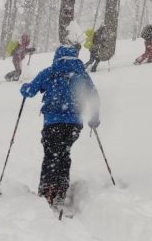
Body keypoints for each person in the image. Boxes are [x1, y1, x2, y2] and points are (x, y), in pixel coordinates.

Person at [20, 44, 100, 208]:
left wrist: (24, 88)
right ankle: (60, 192)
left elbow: (30, 91)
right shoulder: (81, 75)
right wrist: (94, 118)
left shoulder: (49, 72)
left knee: (51, 155)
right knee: (64, 154)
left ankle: (46, 191)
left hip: (52, 123)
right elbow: (93, 96)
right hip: (74, 125)